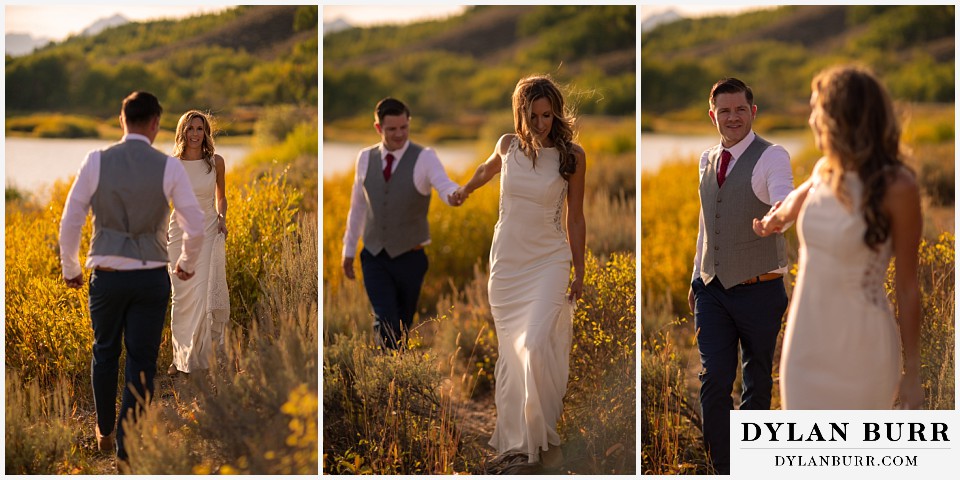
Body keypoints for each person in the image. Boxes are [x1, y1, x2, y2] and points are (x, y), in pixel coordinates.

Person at [753, 65, 923, 410]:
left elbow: (907, 288)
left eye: (817, 108)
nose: (812, 118)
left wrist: (914, 374)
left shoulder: (898, 187)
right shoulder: (822, 172)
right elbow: (790, 207)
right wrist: (772, 221)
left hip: (864, 349)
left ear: (840, 117)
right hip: (805, 343)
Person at [59, 91, 205, 463]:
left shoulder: (96, 161)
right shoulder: (168, 167)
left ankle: (105, 430)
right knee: (142, 360)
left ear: (122, 120)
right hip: (150, 278)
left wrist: (71, 268)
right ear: (156, 124)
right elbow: (195, 223)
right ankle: (127, 441)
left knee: (104, 351)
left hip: (106, 277)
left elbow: (72, 218)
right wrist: (187, 261)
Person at [453, 74, 586, 472]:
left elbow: (576, 218)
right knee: (514, 353)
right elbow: (486, 169)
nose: (541, 122)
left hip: (549, 260)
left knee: (536, 343)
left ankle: (543, 438)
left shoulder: (572, 156)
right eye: (533, 115)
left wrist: (580, 271)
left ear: (556, 114)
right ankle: (523, 443)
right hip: (508, 263)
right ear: (520, 113)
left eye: (547, 115)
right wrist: (465, 190)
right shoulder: (507, 145)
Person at [688, 78, 794, 475]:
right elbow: (706, 223)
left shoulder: (772, 156)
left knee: (757, 381)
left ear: (753, 112)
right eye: (724, 110)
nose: (732, 117)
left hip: (760, 290)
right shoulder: (706, 158)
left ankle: (749, 466)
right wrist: (694, 277)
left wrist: (775, 219)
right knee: (714, 378)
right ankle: (722, 466)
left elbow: (784, 197)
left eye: (740, 109)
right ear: (712, 114)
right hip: (711, 288)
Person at [341, 97, 462, 350]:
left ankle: (395, 378)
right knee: (385, 321)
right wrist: (348, 251)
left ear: (409, 123)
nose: (399, 134)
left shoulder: (425, 157)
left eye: (404, 127)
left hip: (411, 259)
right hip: (374, 256)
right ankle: (386, 381)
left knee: (402, 327)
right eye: (391, 129)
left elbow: (444, 185)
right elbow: (358, 207)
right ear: (378, 128)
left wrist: (455, 195)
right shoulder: (364, 158)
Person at [166, 110, 230, 375]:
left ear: (206, 133)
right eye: (190, 128)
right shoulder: (172, 165)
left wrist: (223, 217)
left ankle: (201, 358)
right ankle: (178, 357)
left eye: (199, 129)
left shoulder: (215, 162)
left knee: (203, 295)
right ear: (182, 132)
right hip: (179, 233)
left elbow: (221, 197)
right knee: (181, 297)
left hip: (206, 229)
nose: (194, 134)